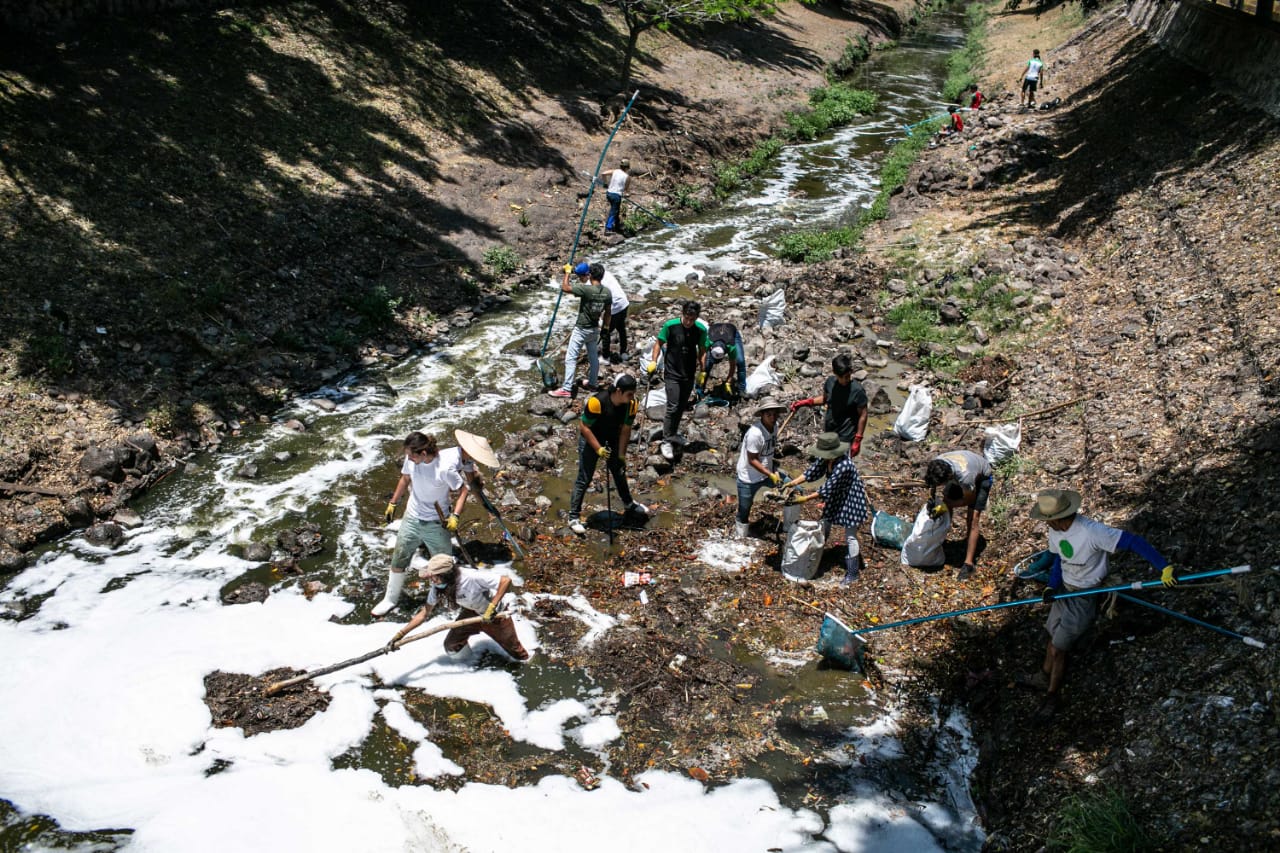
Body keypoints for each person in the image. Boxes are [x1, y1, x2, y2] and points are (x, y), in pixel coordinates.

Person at [1028, 489, 1177, 717]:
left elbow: (1132, 542)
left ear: (1059, 517)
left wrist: (1163, 567)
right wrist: (1051, 585)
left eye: (1048, 520)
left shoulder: (1092, 532)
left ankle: (1052, 695)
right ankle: (1043, 675)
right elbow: (1059, 559)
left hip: (1084, 595)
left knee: (1059, 649)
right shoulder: (1055, 532)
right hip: (1064, 590)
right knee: (1052, 636)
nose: (1045, 524)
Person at [375, 432, 465, 616]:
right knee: (399, 557)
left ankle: (448, 600)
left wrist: (455, 515)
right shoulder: (412, 461)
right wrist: (393, 503)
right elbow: (405, 479)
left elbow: (463, 490)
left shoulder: (444, 468)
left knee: (444, 567)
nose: (408, 458)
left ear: (424, 453)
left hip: (436, 522)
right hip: (412, 517)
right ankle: (390, 599)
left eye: (411, 455)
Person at [385, 554, 529, 661]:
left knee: (516, 653)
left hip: (496, 616)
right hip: (472, 613)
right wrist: (400, 634)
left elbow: (505, 581)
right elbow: (423, 614)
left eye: (434, 577)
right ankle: (470, 666)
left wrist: (492, 606)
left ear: (447, 575)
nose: (432, 580)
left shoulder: (471, 577)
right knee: (451, 645)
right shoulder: (437, 587)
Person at [784, 432, 872, 586]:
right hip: (836, 495)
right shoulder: (825, 459)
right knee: (825, 523)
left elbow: (826, 489)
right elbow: (811, 473)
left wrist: (804, 499)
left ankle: (853, 573)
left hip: (851, 498)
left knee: (850, 536)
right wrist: (791, 483)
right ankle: (818, 554)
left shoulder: (844, 465)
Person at [568, 373, 649, 535]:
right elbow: (584, 427)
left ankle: (628, 503)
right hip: (591, 439)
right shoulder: (596, 402)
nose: (633, 397)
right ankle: (573, 516)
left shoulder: (631, 404)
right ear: (618, 391)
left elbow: (626, 430)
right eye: (629, 393)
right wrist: (598, 449)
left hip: (612, 438)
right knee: (585, 477)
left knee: (619, 471)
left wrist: (621, 455)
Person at [646, 300, 709, 461]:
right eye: (687, 317)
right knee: (673, 406)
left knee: (681, 406)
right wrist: (654, 361)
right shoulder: (671, 326)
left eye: (692, 319)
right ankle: (666, 441)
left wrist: (703, 371)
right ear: (683, 313)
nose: (688, 322)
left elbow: (702, 350)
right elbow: (659, 343)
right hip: (672, 372)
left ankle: (673, 434)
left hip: (688, 373)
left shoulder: (700, 330)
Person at [924, 449, 994, 582]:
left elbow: (969, 500)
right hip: (962, 470)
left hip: (982, 477)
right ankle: (942, 537)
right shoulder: (937, 464)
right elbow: (932, 485)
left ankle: (968, 563)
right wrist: (932, 499)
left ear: (949, 477)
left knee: (972, 519)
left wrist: (948, 505)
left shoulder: (966, 477)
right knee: (946, 501)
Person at [549, 262, 610, 398]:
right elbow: (608, 313)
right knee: (593, 358)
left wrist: (568, 272)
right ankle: (593, 384)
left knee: (570, 358)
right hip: (594, 329)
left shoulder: (586, 289)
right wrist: (605, 328)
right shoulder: (607, 292)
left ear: (591, 275)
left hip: (581, 329)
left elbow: (565, 287)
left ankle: (566, 389)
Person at [789, 353, 868, 452]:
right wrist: (805, 402)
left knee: (841, 464)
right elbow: (825, 399)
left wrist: (858, 439)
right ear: (836, 374)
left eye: (848, 376)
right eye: (844, 377)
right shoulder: (830, 383)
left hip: (846, 435)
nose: (847, 380)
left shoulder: (857, 391)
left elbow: (863, 415)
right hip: (830, 431)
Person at [734, 397, 786, 538]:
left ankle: (789, 527)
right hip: (748, 477)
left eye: (775, 414)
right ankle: (741, 537)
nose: (773, 417)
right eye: (769, 414)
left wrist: (773, 468)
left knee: (792, 491)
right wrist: (770, 474)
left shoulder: (774, 426)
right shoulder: (755, 434)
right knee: (744, 510)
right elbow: (752, 460)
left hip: (767, 471)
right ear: (762, 415)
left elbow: (770, 450)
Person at [702, 321, 747, 399]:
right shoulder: (708, 341)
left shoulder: (731, 346)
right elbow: (702, 355)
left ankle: (741, 390)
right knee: (707, 364)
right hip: (715, 329)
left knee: (740, 361)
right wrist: (702, 371)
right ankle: (700, 389)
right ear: (711, 348)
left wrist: (728, 381)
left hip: (732, 332)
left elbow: (733, 364)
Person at [596, 262, 630, 365]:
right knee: (621, 328)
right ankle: (623, 352)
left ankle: (606, 357)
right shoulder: (607, 273)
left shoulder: (595, 282)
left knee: (605, 332)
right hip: (624, 303)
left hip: (614, 307)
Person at [601, 158, 630, 233]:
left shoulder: (615, 171)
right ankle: (608, 228)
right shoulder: (627, 177)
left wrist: (605, 183)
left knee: (616, 210)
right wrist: (627, 194)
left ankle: (617, 225)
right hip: (616, 196)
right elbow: (626, 190)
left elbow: (603, 173)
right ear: (627, 168)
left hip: (609, 193)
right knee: (613, 211)